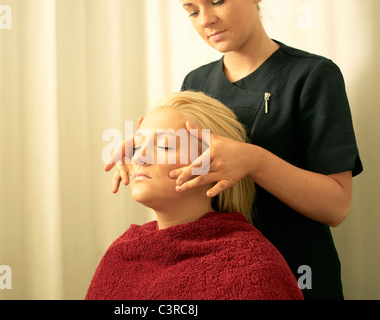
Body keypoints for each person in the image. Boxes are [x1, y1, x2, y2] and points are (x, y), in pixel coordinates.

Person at [105, 0, 363, 300]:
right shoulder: (196, 82)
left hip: (295, 274)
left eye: (217, 1)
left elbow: (337, 206)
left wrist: (254, 161)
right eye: (192, 10)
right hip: (213, 274)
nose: (206, 20)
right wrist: (145, 145)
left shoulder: (312, 76)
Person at [87, 92, 303, 300]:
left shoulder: (253, 267)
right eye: (137, 145)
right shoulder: (122, 254)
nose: (139, 158)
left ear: (213, 165)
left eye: (164, 145)